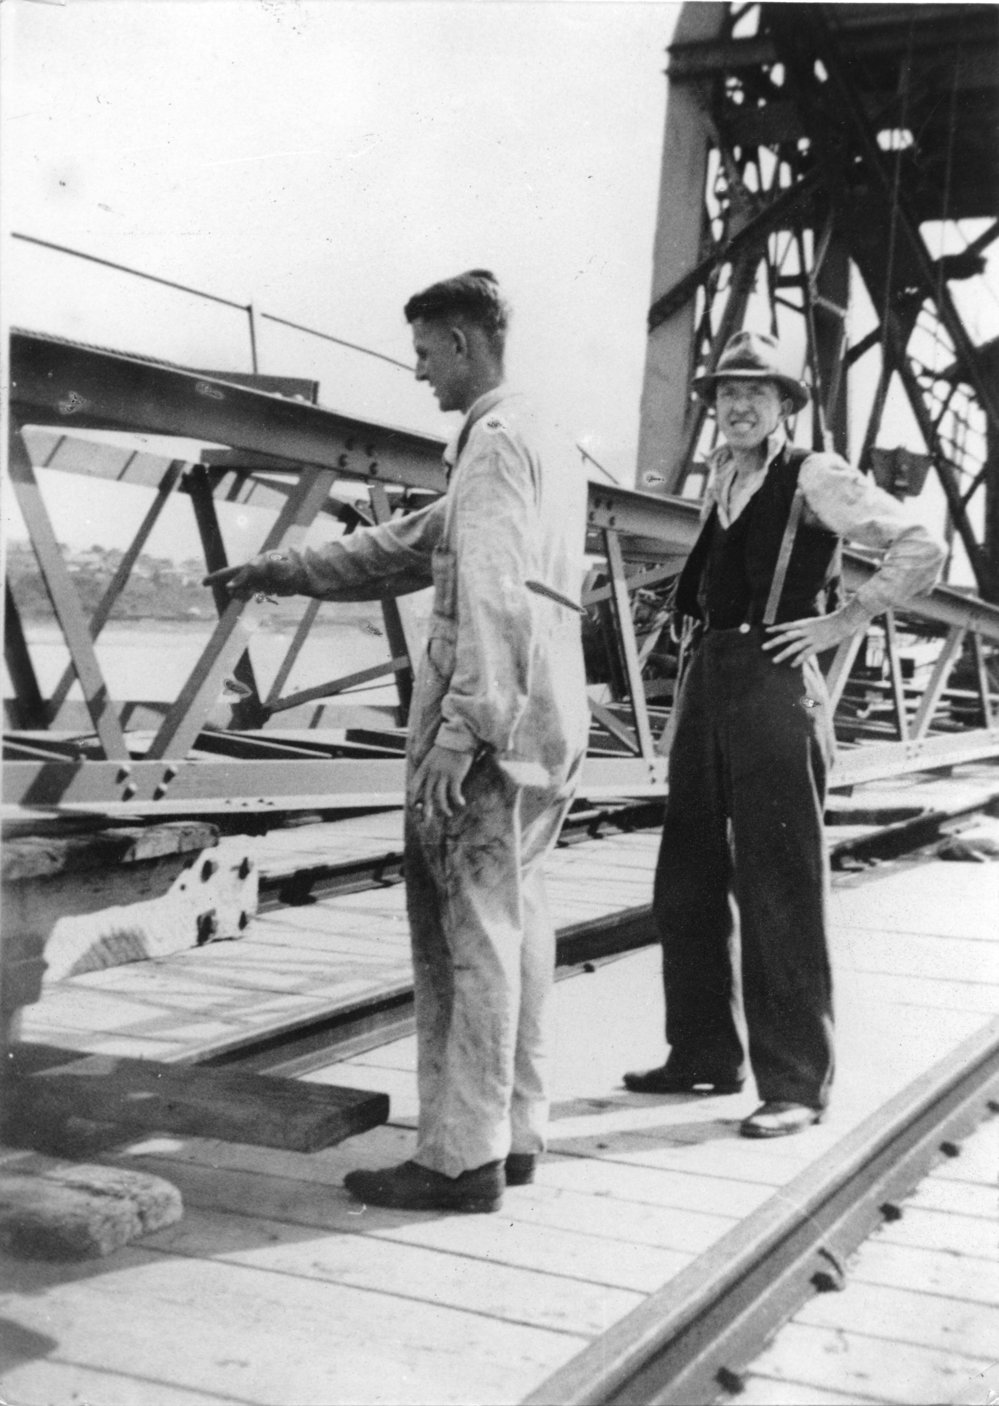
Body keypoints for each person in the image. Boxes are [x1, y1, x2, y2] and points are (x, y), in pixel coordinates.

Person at [207, 270, 589, 1208]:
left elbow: (492, 592)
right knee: (516, 922)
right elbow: (412, 542)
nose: (418, 374)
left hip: (492, 723)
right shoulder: (541, 433)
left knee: (465, 935)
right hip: (549, 716)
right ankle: (515, 1128)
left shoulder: (493, 442)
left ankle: (459, 1159)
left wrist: (460, 730)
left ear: (461, 342)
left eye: (423, 353)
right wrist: (285, 567)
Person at [624, 330, 945, 1137]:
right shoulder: (723, 477)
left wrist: (844, 619)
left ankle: (796, 1084)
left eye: (755, 394)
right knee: (686, 876)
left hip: (773, 684)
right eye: (725, 393)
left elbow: (921, 544)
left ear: (783, 406)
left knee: (778, 884)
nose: (736, 406)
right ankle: (701, 1054)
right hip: (709, 680)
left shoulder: (814, 474)